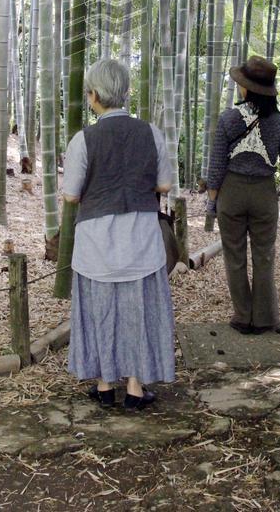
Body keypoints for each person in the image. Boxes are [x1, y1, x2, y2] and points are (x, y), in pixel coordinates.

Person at [63, 58, 175, 410]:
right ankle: (135, 388)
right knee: (138, 312)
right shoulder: (151, 133)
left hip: (96, 242)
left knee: (99, 311)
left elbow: (70, 195)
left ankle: (103, 384)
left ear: (93, 96)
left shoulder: (83, 140)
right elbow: (165, 185)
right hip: (140, 237)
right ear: (126, 93)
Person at [206, 55, 280, 335]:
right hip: (263, 193)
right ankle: (264, 317)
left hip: (232, 192)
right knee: (264, 256)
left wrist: (212, 201)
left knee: (234, 256)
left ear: (247, 89)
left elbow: (216, 165)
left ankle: (242, 316)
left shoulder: (227, 118)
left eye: (241, 84)